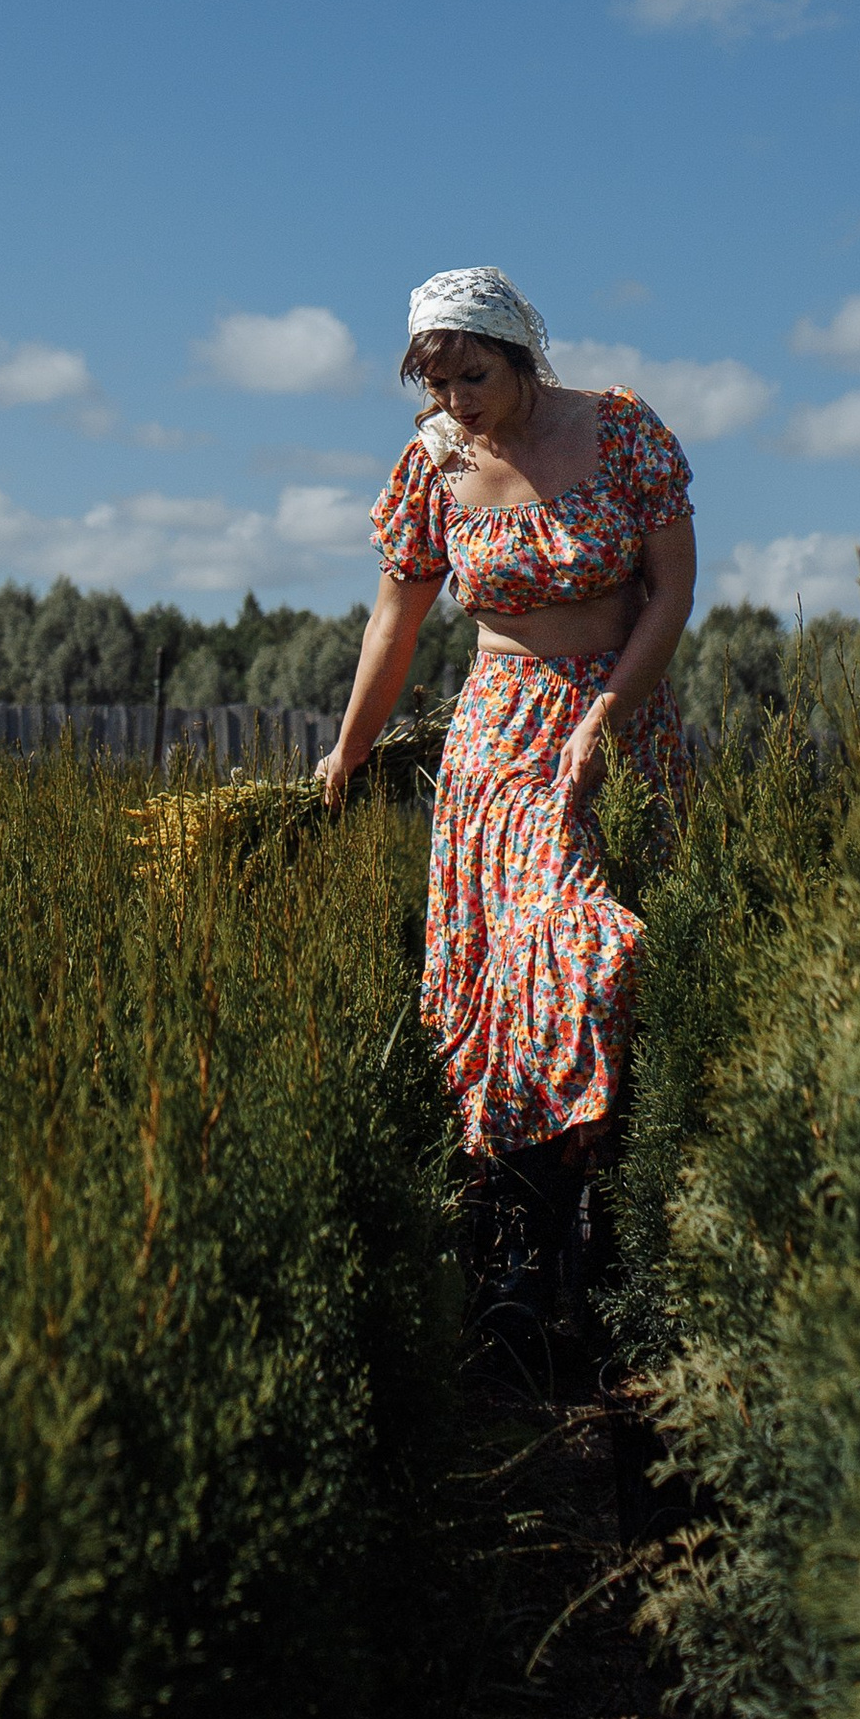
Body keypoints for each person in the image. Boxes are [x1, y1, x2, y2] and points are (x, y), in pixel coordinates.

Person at [319, 265, 696, 1252]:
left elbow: (670, 592)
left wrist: (604, 718)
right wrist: (350, 749)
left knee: (598, 949)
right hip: (497, 742)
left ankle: (611, 1235)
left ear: (523, 357)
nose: (457, 402)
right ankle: (518, 1250)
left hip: (618, 725)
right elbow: (393, 626)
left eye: (474, 377)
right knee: (532, 958)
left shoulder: (619, 429)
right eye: (437, 386)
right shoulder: (431, 463)